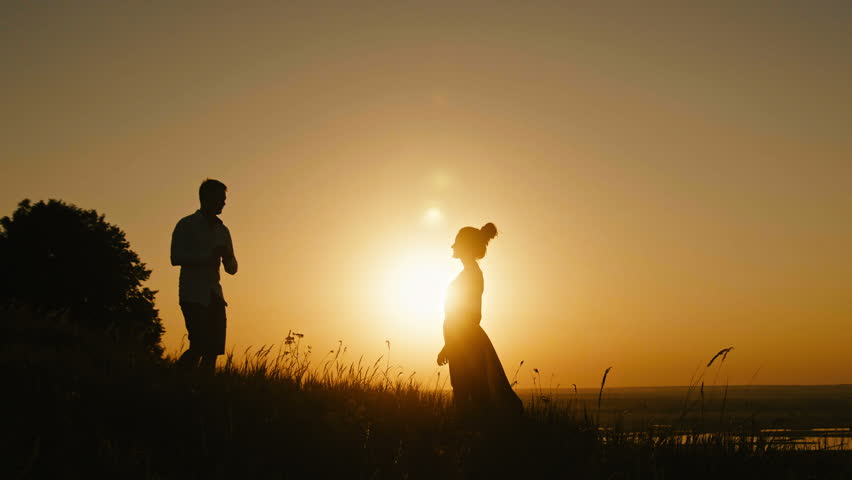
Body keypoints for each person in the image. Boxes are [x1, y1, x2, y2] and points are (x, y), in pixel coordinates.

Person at [437, 222, 522, 417]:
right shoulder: (469, 274)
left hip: (466, 342)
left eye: (457, 242)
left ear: (466, 246)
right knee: (467, 391)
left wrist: (452, 344)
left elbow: (471, 315)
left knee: (471, 393)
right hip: (462, 341)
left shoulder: (472, 275)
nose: (453, 246)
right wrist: (448, 345)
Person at [170, 179, 238, 373]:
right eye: (221, 198)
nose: (224, 203)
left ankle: (204, 389)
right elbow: (175, 258)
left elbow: (232, 269)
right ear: (207, 198)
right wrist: (207, 256)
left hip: (215, 296)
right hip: (192, 294)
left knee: (213, 351)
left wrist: (227, 256)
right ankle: (174, 377)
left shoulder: (223, 231)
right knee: (198, 345)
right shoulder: (186, 225)